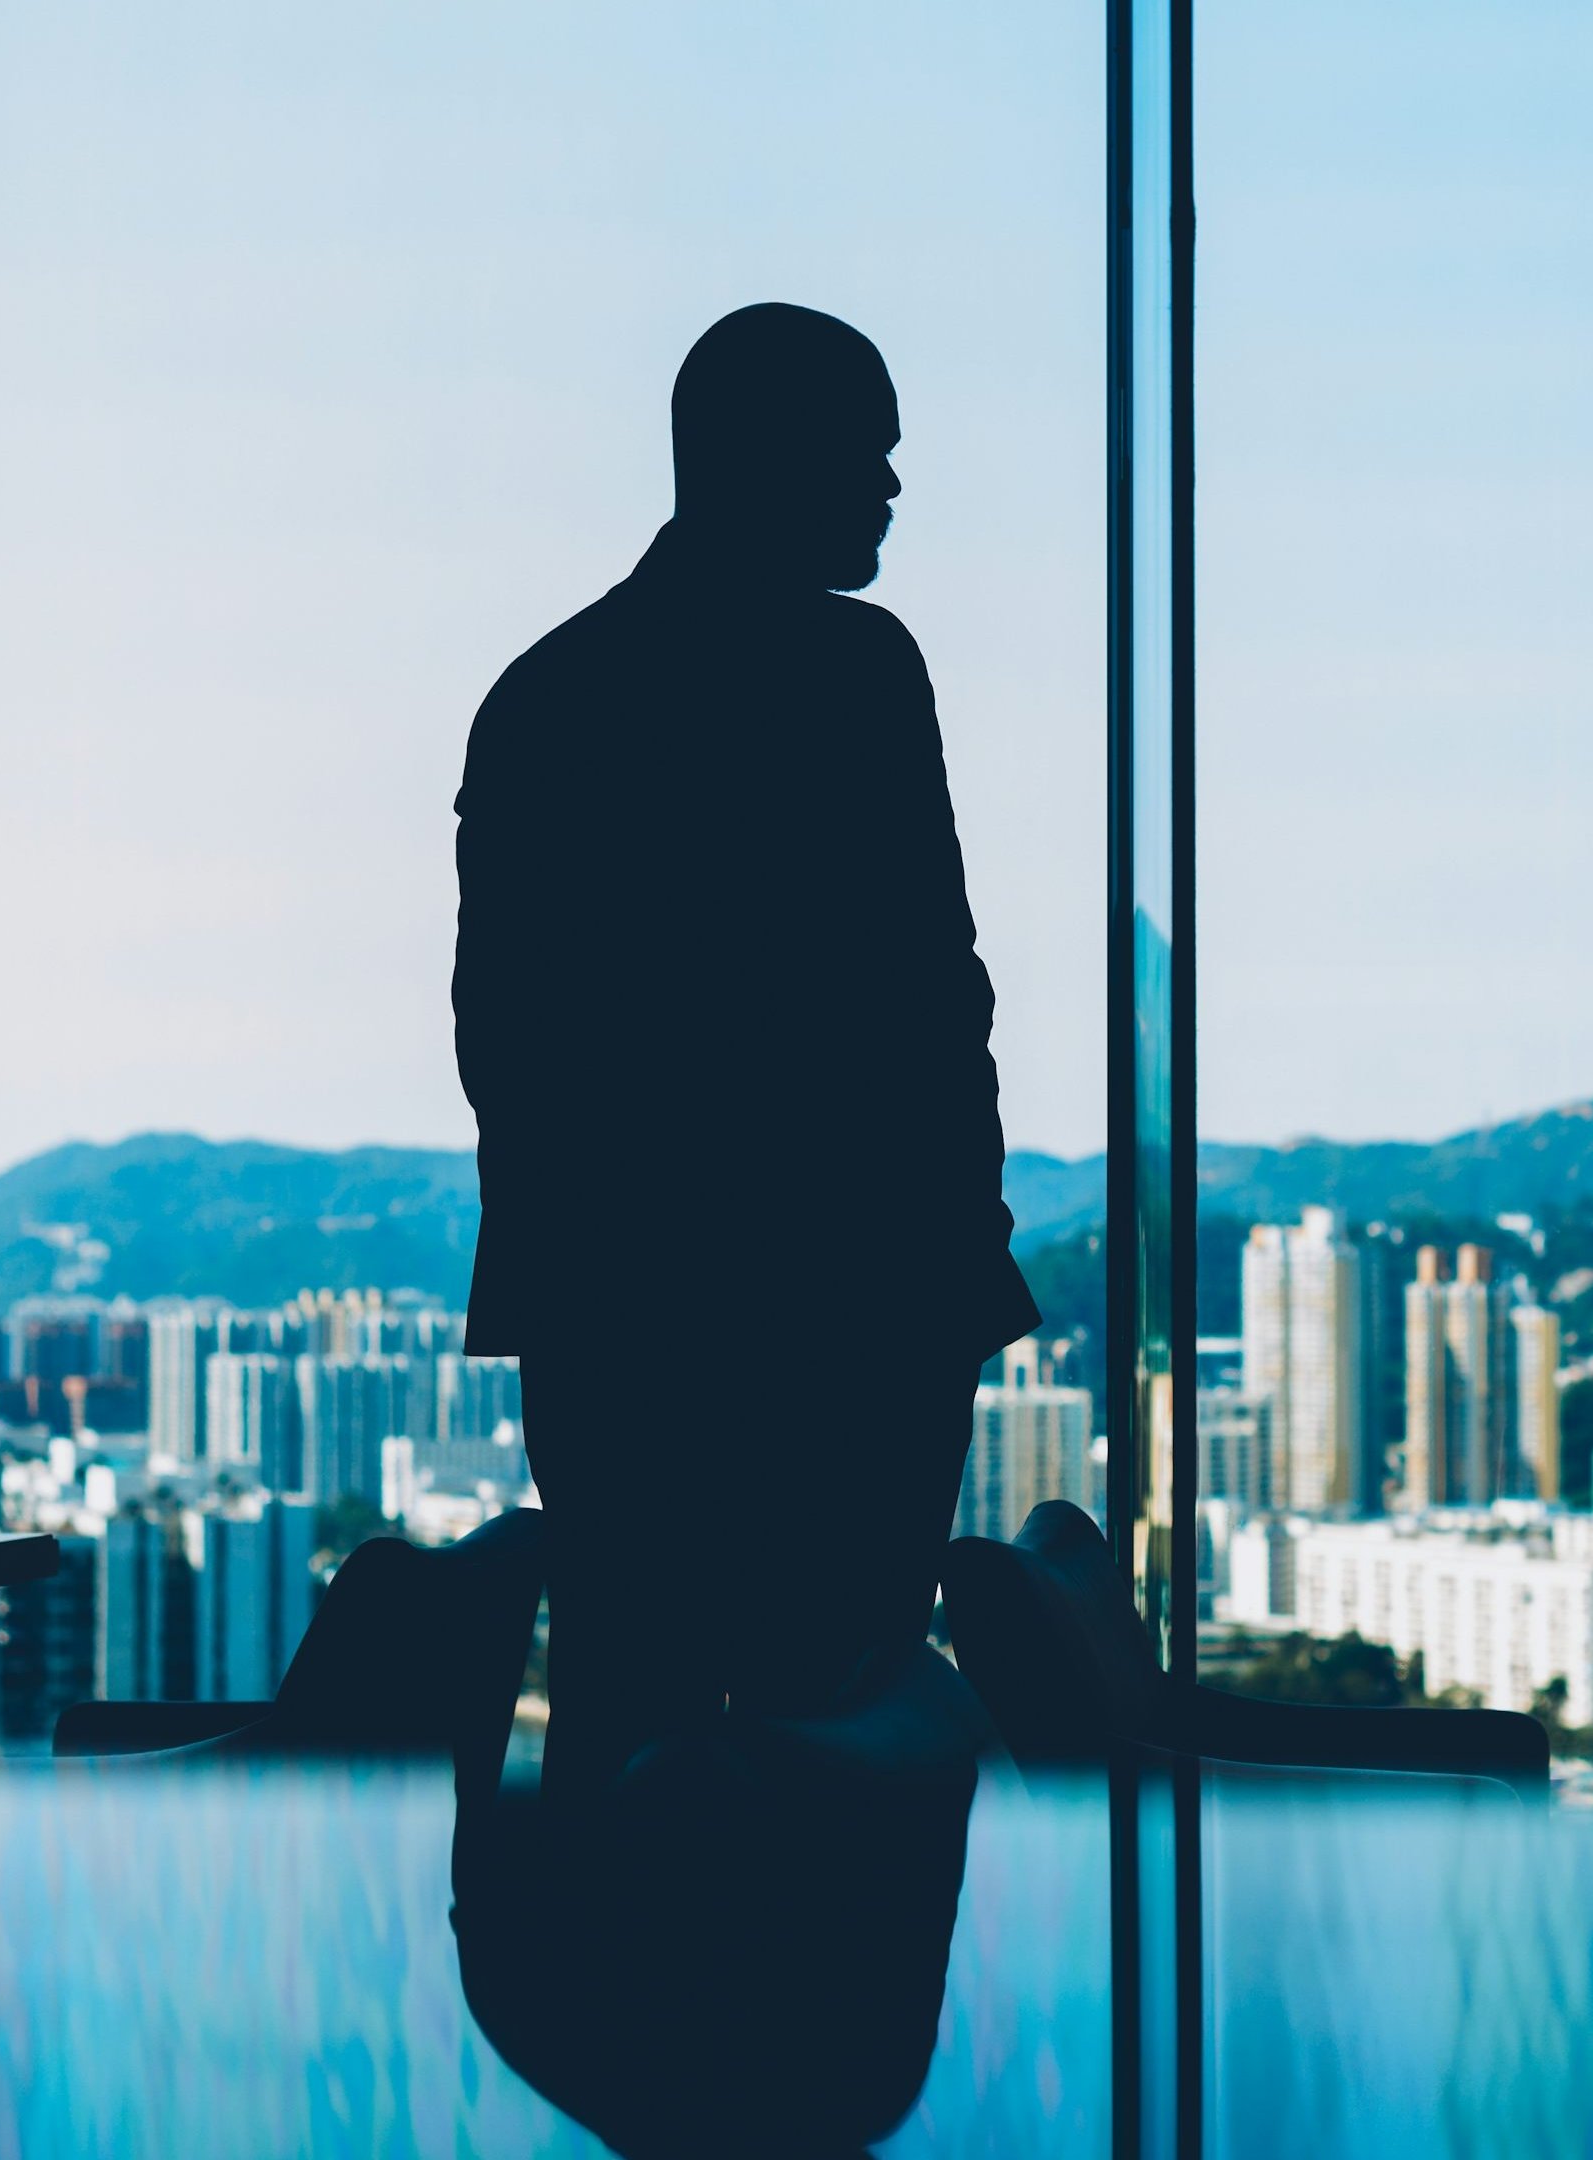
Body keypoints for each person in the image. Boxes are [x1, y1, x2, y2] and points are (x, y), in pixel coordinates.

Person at [452, 301, 1037, 1792]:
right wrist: (958, 1254)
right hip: (863, 1318)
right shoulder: (860, 676)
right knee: (844, 1760)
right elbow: (933, 995)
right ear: (766, 458)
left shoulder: (547, 696)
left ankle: (632, 2018)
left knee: (630, 1723)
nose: (894, 488)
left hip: (627, 1324)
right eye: (869, 453)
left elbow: (506, 1039)